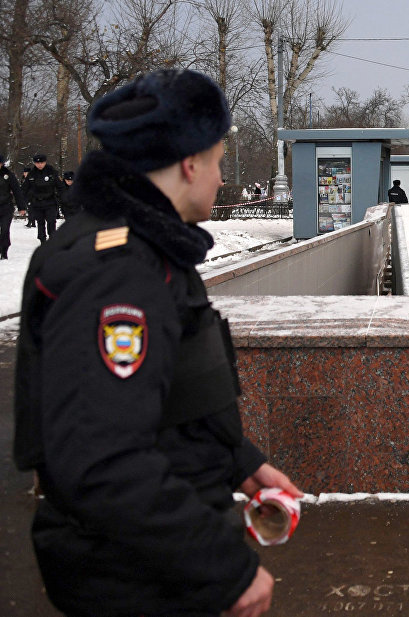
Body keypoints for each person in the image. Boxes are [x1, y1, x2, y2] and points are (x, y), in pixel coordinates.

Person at [13, 68, 302, 617]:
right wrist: (226, 568)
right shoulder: (118, 274)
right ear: (190, 164)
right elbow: (102, 460)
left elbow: (167, 395)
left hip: (148, 560)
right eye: (217, 162)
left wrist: (238, 460)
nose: (220, 180)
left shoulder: (144, 248)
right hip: (135, 577)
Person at [22, 153, 63, 242]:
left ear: (45, 162)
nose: (40, 165)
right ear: (34, 163)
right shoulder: (32, 174)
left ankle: (52, 240)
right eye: (37, 163)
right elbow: (24, 189)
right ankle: (42, 240)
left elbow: (60, 187)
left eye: (42, 163)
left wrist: (63, 199)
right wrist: (23, 203)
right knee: (40, 223)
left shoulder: (52, 172)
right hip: (37, 203)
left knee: (51, 222)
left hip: (50, 202)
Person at [0, 153, 27, 259]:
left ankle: (4, 250)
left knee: (5, 229)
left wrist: (21, 207)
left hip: (6, 207)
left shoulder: (8, 175)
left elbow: (17, 191)